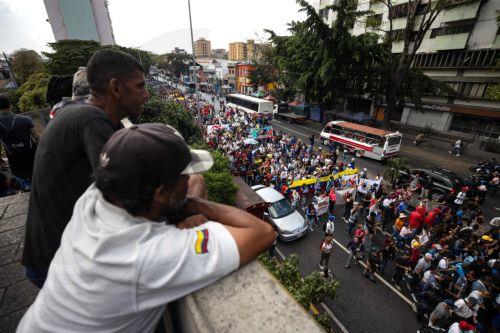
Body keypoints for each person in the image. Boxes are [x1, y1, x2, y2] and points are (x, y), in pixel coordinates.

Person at [16, 123, 276, 332]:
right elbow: (261, 233)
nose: (190, 181)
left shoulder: (95, 197)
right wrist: (199, 206)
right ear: (161, 193)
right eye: (182, 178)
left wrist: (179, 201)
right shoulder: (145, 255)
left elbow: (196, 179)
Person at [22, 49, 150, 288]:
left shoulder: (76, 111)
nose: (146, 95)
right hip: (57, 261)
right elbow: (125, 193)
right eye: (140, 86)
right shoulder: (91, 120)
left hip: (52, 252)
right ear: (116, 88)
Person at [0, 95, 40, 191]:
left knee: (20, 176)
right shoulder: (24, 119)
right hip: (31, 155)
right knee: (36, 175)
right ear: (10, 105)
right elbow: (37, 137)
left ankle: (26, 186)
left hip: (13, 157)